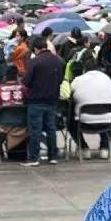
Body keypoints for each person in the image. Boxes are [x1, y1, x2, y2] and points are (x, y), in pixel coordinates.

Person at [22, 36, 65, 167]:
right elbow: (61, 80)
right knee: (51, 128)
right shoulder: (59, 61)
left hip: (36, 101)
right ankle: (52, 156)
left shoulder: (34, 62)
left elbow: (26, 82)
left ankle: (34, 158)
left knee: (36, 130)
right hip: (52, 100)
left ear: (35, 49)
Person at [70, 63, 111, 159]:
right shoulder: (106, 79)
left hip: (84, 122)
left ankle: (83, 148)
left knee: (70, 123)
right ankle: (105, 148)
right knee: (106, 116)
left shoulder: (78, 80)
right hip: (106, 121)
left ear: (84, 70)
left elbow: (71, 92)